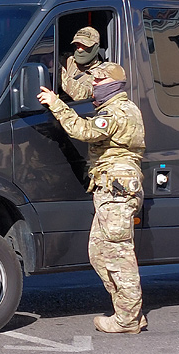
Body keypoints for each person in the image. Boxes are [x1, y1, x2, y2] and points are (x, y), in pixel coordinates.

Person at [37, 62, 148, 334]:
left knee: (118, 255)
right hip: (110, 188)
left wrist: (56, 103)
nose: (93, 86)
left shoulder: (117, 111)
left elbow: (84, 131)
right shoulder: (116, 108)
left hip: (117, 190)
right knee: (99, 253)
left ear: (111, 84)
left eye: (97, 82)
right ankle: (127, 311)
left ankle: (128, 319)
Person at [61, 27, 106, 101]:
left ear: (95, 47)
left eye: (84, 46)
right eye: (77, 45)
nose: (80, 49)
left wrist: (60, 72)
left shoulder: (101, 73)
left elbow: (82, 95)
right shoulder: (69, 60)